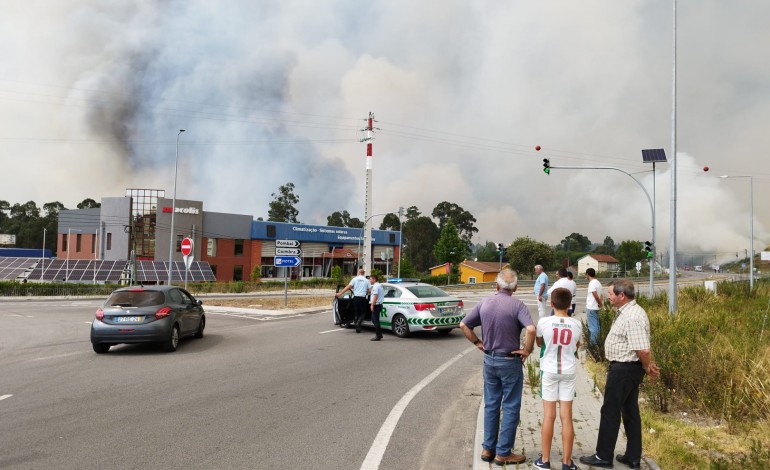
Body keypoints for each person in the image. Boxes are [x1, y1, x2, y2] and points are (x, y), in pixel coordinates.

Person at [579, 279, 660, 470]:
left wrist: (647, 366)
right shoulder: (628, 311)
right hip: (627, 368)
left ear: (621, 295)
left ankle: (603, 456)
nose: (607, 296)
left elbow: (643, 350)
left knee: (610, 411)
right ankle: (632, 457)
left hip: (624, 369)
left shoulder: (632, 316)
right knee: (630, 412)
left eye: (610, 294)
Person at [459, 268, 536, 466]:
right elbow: (531, 329)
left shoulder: (485, 302)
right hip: (510, 361)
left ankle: (487, 448)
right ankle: (503, 453)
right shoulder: (518, 305)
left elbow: (463, 325)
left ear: (496, 285)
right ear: (516, 287)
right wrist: (527, 350)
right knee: (510, 405)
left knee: (491, 403)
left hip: (489, 360)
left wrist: (477, 342)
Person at [535, 287, 582, 470]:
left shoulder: (544, 322)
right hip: (568, 371)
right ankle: (567, 462)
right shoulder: (577, 324)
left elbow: (540, 343)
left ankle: (545, 460)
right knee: (566, 417)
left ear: (552, 304)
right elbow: (576, 345)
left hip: (549, 370)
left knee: (549, 415)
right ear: (570, 305)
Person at [336, 268, 370, 333]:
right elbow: (370, 290)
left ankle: (357, 327)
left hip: (355, 298)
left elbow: (348, 287)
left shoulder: (354, 279)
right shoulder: (366, 280)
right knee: (363, 313)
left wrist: (340, 293)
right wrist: (366, 290)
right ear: (363, 273)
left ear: (358, 273)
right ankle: (358, 323)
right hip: (362, 298)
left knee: (356, 312)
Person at [585, 268, 603, 345]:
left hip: (591, 307)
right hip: (596, 307)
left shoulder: (592, 283)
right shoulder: (598, 283)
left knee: (592, 327)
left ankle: (593, 345)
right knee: (596, 326)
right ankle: (597, 341)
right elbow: (601, 295)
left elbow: (595, 294)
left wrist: (599, 303)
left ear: (588, 274)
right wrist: (600, 303)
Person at [368, 274, 384, 341]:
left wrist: (372, 305)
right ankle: (379, 334)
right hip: (379, 304)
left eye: (370, 279)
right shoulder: (379, 285)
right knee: (373, 319)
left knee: (375, 320)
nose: (370, 280)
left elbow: (375, 296)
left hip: (376, 305)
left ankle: (378, 335)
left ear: (374, 279)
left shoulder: (376, 286)